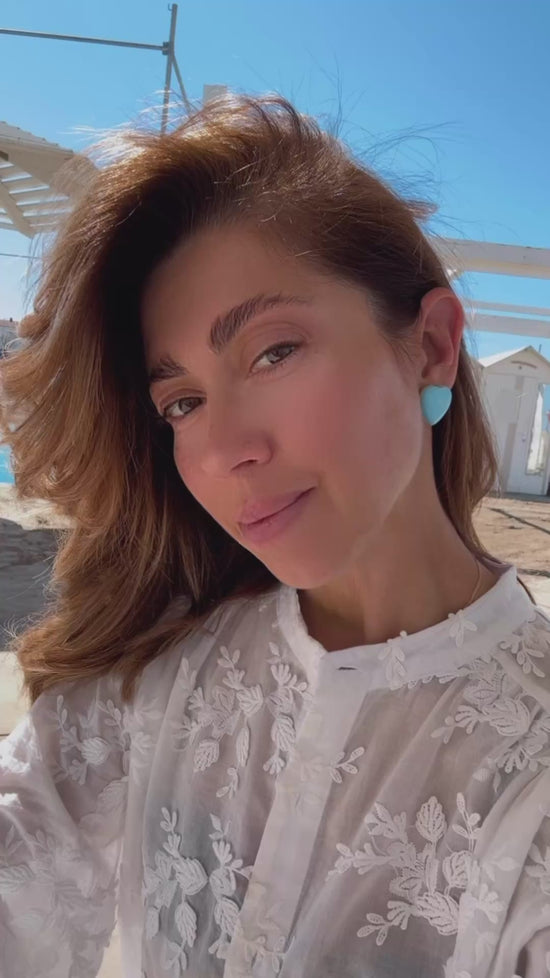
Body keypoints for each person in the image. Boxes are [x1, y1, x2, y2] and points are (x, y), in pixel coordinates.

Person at [0, 92, 549, 978]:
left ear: (432, 347)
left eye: (271, 352)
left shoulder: (532, 767)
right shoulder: (154, 671)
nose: (225, 452)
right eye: (182, 402)